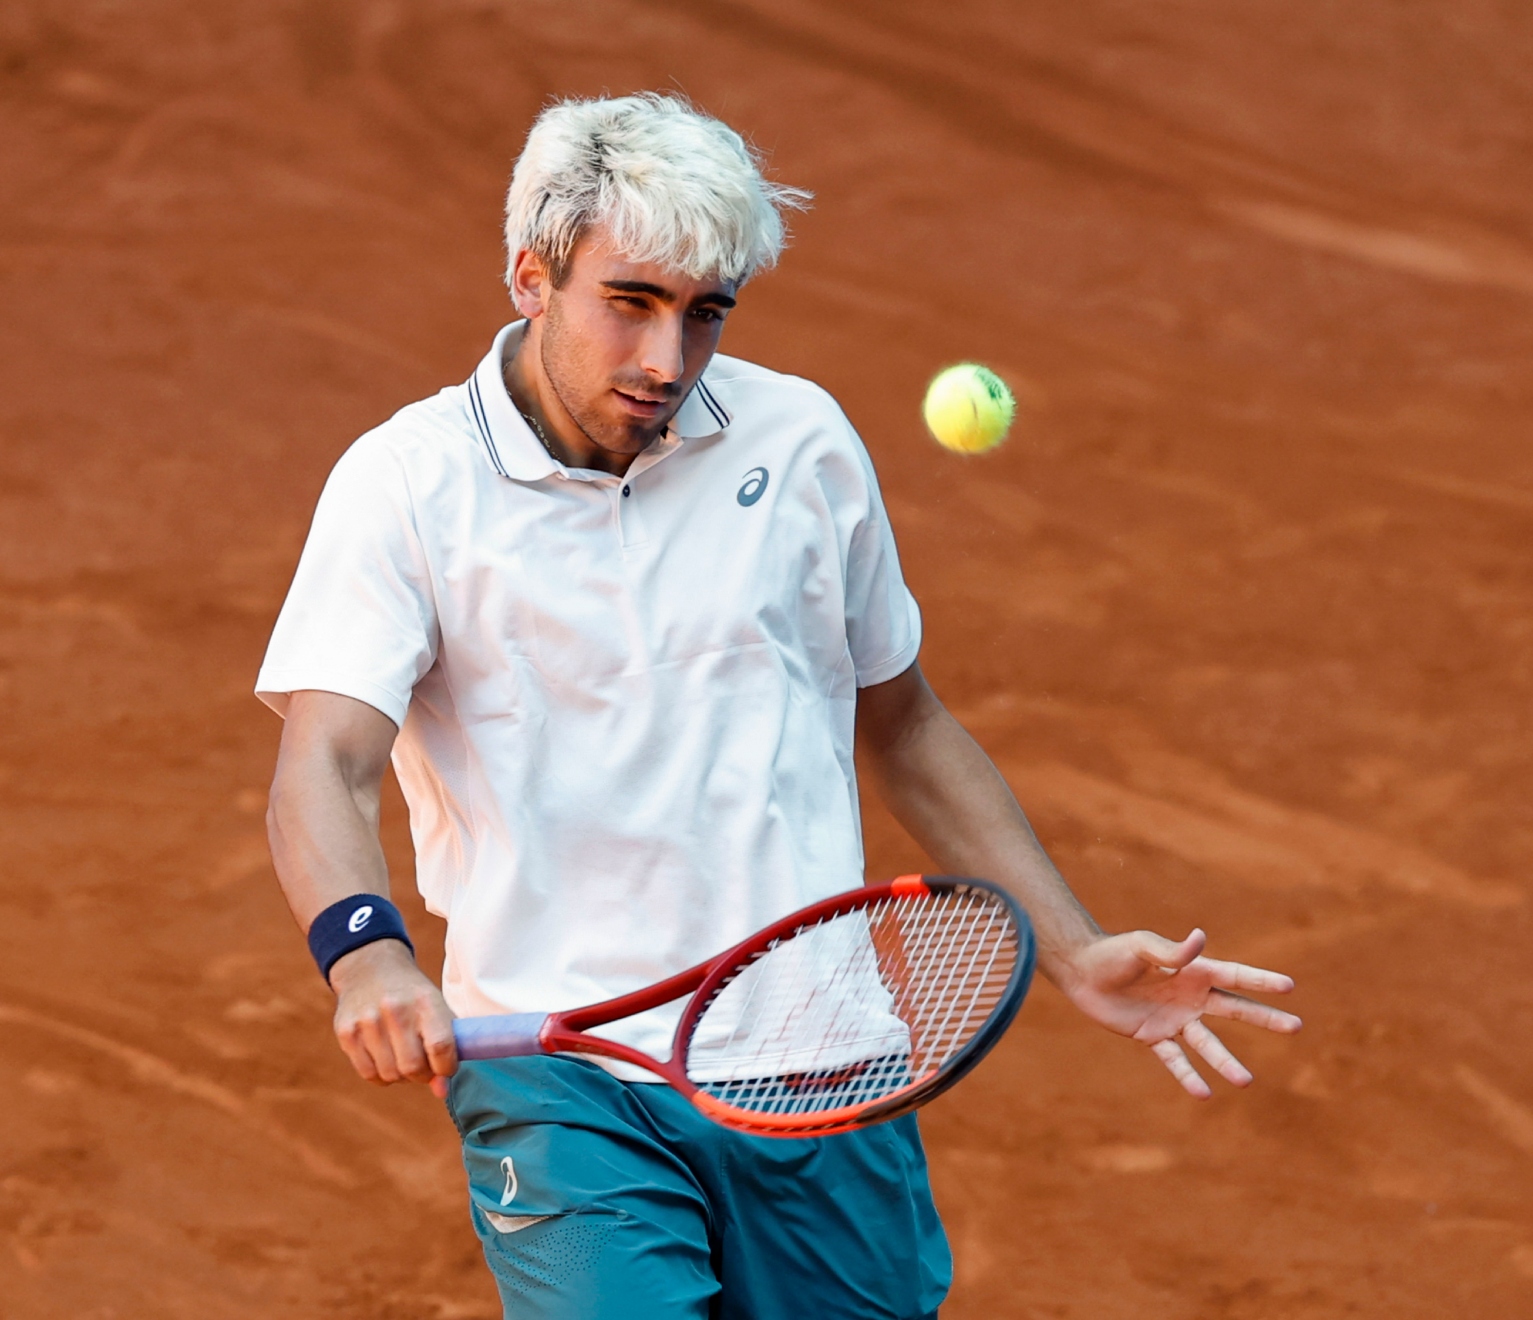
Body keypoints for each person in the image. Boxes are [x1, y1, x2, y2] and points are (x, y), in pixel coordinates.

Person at [259, 92, 1300, 1319]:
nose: (667, 361)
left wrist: (1071, 947)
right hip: (561, 1075)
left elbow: (904, 723)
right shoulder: (407, 486)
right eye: (631, 303)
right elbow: (325, 763)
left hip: (818, 1061)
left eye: (705, 315)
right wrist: (365, 952)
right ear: (530, 277)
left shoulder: (801, 443)